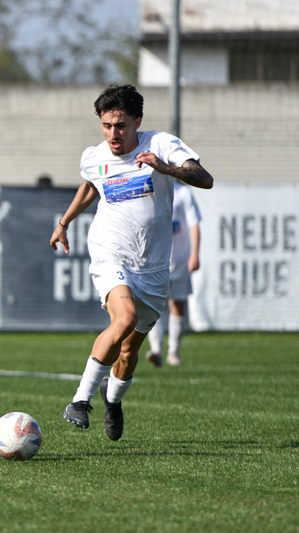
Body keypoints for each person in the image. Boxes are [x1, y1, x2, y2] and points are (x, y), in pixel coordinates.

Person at [49, 84, 213, 441]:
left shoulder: (161, 144)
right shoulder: (94, 156)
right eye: (106, 125)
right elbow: (90, 185)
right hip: (110, 253)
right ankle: (80, 401)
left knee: (128, 351)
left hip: (153, 267)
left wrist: (165, 168)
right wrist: (64, 222)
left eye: (121, 125)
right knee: (123, 319)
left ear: (137, 121)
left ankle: (113, 399)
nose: (113, 134)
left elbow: (205, 179)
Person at [145, 181, 202, 367]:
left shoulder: (183, 192)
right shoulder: (150, 189)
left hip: (179, 260)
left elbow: (194, 224)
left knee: (178, 304)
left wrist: (195, 254)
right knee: (155, 306)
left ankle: (173, 353)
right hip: (155, 261)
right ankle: (156, 350)